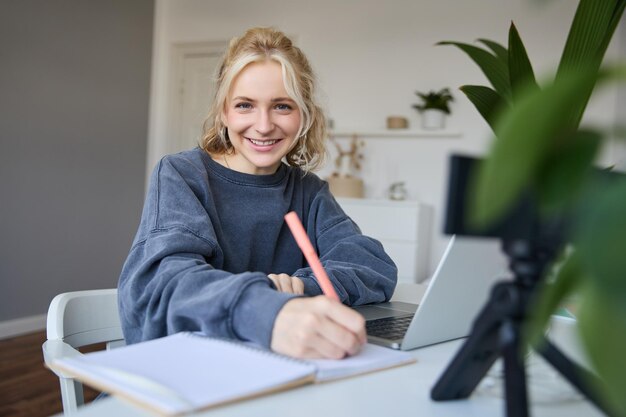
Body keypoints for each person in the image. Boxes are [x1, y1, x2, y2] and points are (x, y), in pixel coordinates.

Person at [118, 27, 397, 360]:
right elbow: (166, 282)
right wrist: (269, 307)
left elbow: (373, 266)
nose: (264, 126)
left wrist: (301, 286)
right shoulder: (183, 175)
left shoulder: (308, 190)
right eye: (245, 105)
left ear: (304, 114)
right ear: (223, 111)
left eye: (281, 106)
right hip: (188, 367)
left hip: (275, 369)